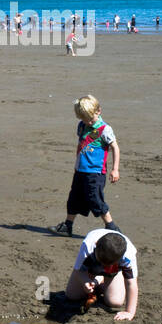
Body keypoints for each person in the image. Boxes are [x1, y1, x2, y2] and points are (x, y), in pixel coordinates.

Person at [54, 94, 121, 237]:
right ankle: (68, 225)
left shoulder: (105, 129)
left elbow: (115, 147)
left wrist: (115, 169)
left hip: (95, 172)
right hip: (80, 170)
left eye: (90, 119)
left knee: (95, 199)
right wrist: (77, 163)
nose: (88, 122)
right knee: (74, 198)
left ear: (98, 111)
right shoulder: (82, 126)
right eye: (84, 119)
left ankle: (112, 227)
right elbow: (81, 145)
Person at [64, 229, 138, 321]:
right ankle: (98, 279)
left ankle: (102, 279)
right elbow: (77, 271)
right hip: (91, 266)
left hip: (113, 271)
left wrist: (130, 312)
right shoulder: (88, 245)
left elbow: (131, 283)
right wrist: (85, 281)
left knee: (115, 302)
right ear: (96, 243)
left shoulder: (128, 255)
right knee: (72, 295)